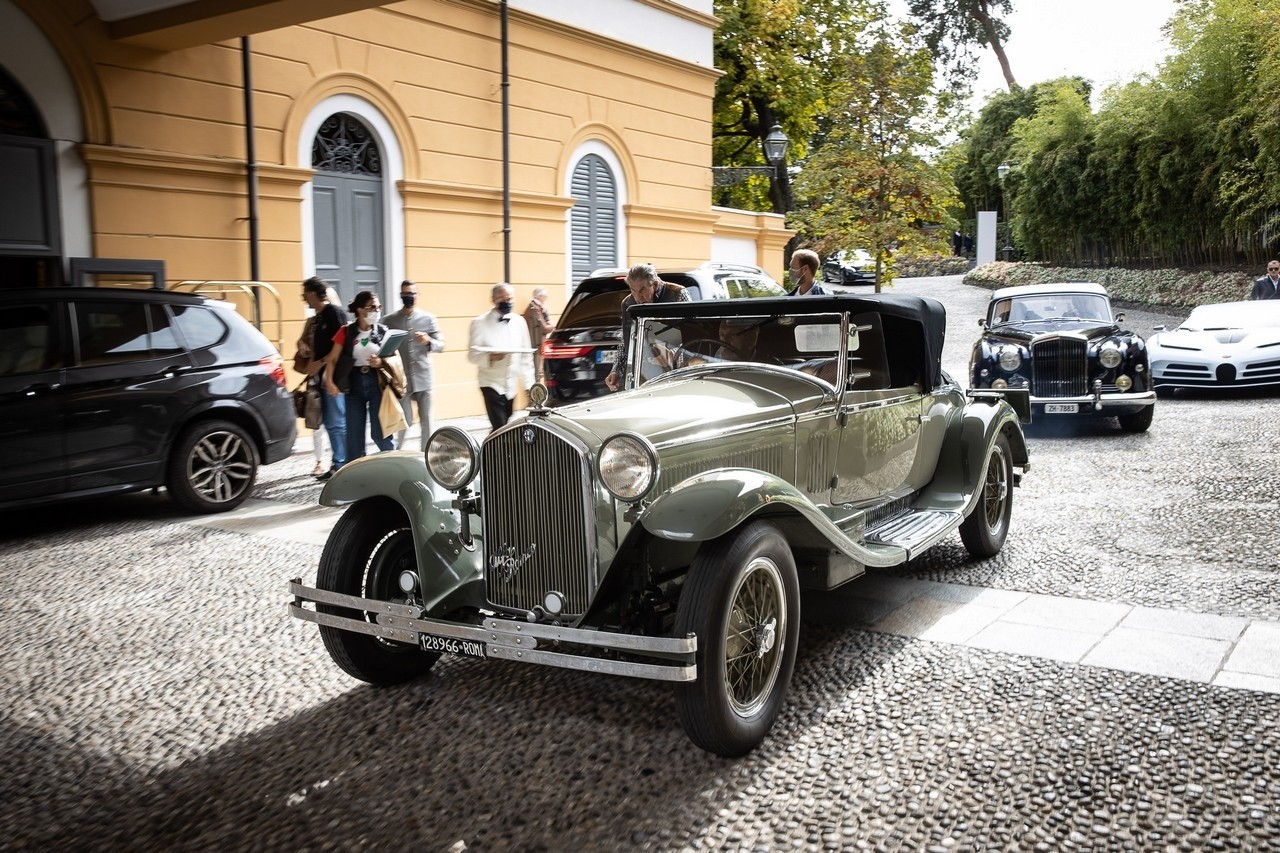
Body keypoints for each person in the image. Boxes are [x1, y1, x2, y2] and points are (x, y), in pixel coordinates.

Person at [321, 290, 398, 465]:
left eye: (379, 307)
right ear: (360, 310)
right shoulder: (346, 332)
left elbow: (395, 357)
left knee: (381, 431)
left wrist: (381, 361)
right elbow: (332, 359)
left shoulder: (383, 331)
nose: (377, 310)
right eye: (372, 307)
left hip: (377, 382)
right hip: (353, 383)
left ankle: (393, 465)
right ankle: (354, 471)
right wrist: (330, 381)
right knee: (354, 433)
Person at [604, 263, 691, 392]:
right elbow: (627, 341)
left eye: (642, 290)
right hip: (642, 377)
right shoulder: (628, 304)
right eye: (633, 291)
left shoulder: (678, 294)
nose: (638, 297)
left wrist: (674, 356)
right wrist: (616, 371)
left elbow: (693, 335)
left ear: (655, 285)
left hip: (675, 375)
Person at [386, 279, 444, 451]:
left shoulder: (429, 318)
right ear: (400, 295)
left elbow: (442, 345)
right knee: (404, 421)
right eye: (405, 294)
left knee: (427, 420)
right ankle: (398, 453)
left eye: (411, 293)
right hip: (401, 380)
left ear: (417, 295)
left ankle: (425, 455)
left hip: (423, 377)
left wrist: (428, 341)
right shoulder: (390, 320)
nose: (408, 297)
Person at [468, 282, 535, 429]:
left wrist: (529, 385)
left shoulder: (519, 322)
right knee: (500, 426)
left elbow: (526, 357)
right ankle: (500, 451)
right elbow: (472, 355)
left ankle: (488, 450)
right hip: (490, 383)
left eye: (510, 299)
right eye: (502, 299)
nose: (507, 302)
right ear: (493, 300)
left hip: (511, 387)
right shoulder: (479, 323)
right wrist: (490, 357)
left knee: (503, 425)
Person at [302, 277, 348, 479]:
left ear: (313, 293)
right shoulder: (318, 318)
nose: (303, 298)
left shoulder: (334, 314)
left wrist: (319, 363)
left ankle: (343, 465)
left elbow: (342, 346)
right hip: (321, 379)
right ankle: (337, 464)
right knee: (330, 423)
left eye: (305, 293)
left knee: (337, 423)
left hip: (334, 379)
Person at [523, 287, 554, 381]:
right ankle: (536, 394)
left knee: (537, 373)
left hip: (535, 345)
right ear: (539, 296)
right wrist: (553, 325)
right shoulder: (535, 308)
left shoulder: (534, 307)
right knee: (537, 373)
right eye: (544, 296)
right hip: (537, 345)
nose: (545, 299)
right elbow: (544, 328)